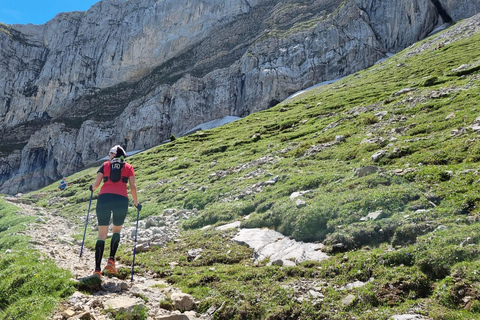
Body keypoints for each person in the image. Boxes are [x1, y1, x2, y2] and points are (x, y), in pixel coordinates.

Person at [89, 145, 141, 278]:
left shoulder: (104, 165)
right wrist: (136, 203)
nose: (109, 156)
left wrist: (92, 188)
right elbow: (133, 187)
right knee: (116, 231)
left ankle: (97, 270)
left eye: (110, 153)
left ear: (114, 154)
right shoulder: (128, 167)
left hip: (104, 199)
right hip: (121, 200)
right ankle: (111, 260)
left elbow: (96, 185)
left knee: (102, 235)